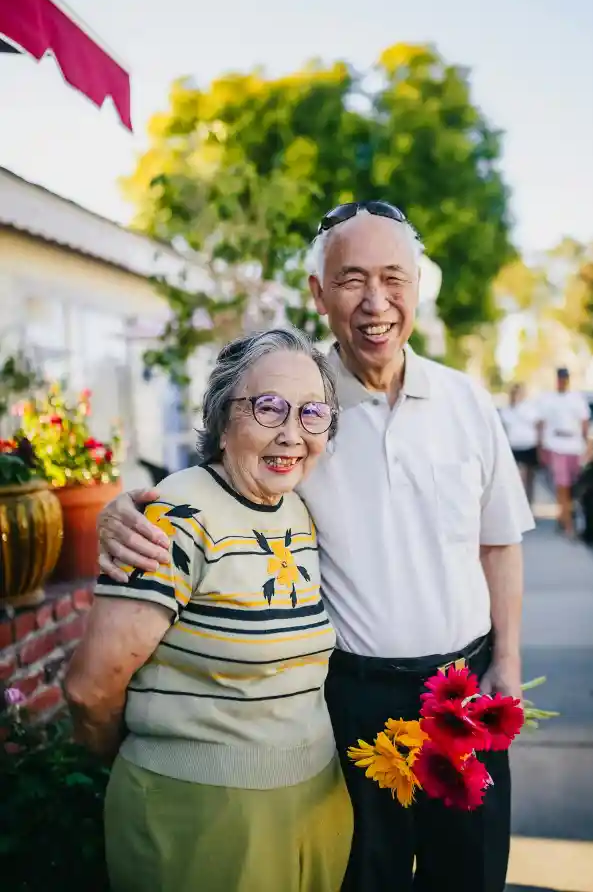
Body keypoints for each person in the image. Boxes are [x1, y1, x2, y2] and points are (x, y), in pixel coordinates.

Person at [98, 200, 534, 892]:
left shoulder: (467, 402)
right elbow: (216, 475)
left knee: (471, 874)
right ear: (317, 294)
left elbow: (500, 541)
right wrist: (119, 508)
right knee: (367, 879)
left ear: (418, 287)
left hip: (464, 689)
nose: (375, 302)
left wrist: (506, 661)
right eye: (351, 279)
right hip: (352, 699)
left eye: (395, 278)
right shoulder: (299, 403)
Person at [64, 328, 353, 892]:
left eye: (312, 413)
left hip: (313, 804)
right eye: (268, 408)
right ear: (223, 419)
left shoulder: (297, 509)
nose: (292, 433)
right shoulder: (177, 515)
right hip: (198, 817)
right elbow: (88, 688)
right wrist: (147, 760)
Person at [536, 367, 590, 537]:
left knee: (573, 487)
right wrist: (541, 447)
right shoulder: (549, 399)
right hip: (556, 444)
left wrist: (587, 446)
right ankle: (568, 526)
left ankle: (564, 516)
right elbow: (542, 424)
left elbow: (584, 423)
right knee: (562, 485)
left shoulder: (576, 399)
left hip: (574, 445)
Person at [500, 383, 538, 503]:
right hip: (514, 446)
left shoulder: (529, 408)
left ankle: (529, 502)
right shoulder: (507, 410)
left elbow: (537, 424)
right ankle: (519, 502)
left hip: (529, 445)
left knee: (529, 477)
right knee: (517, 476)